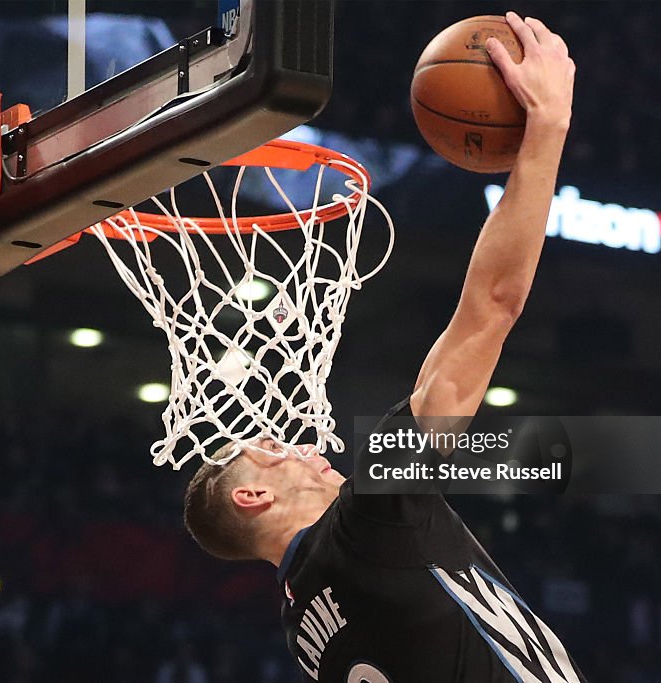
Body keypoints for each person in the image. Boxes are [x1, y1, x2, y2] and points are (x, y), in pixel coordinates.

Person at [183, 12, 584, 683]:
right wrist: (547, 127)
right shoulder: (367, 522)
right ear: (253, 496)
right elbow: (490, 309)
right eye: (275, 450)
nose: (305, 446)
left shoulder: (305, 619)